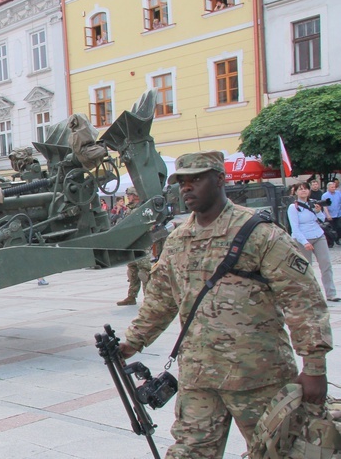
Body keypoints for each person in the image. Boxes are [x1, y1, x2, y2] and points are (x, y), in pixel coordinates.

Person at [117, 151, 332, 458]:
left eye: (197, 179)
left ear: (220, 179)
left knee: (277, 453)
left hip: (258, 377)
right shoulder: (178, 240)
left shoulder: (260, 233)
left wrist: (314, 366)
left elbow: (303, 299)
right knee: (189, 453)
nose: (187, 188)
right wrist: (132, 342)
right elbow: (161, 299)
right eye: (182, 181)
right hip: (199, 376)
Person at [288, 182, 339, 302]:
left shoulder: (313, 202)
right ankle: (309, 294)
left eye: (305, 189)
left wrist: (318, 211)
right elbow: (295, 228)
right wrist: (304, 242)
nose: (303, 191)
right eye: (300, 189)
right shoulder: (293, 207)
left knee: (326, 265)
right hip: (302, 238)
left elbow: (322, 219)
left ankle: (331, 293)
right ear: (295, 192)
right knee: (306, 268)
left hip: (318, 235)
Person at [117, 187, 152, 306]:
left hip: (141, 245)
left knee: (144, 272)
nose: (128, 197)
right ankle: (131, 296)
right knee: (132, 271)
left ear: (136, 195)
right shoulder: (129, 210)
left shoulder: (142, 209)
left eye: (130, 195)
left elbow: (149, 226)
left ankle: (149, 298)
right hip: (131, 245)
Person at [321, 181, 341, 245]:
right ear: (328, 188)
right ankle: (330, 242)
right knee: (329, 230)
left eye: (334, 187)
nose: (334, 188)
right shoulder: (325, 195)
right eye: (332, 187)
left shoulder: (338, 193)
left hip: (338, 214)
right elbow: (325, 206)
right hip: (329, 215)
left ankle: (337, 239)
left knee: (339, 227)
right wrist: (328, 215)